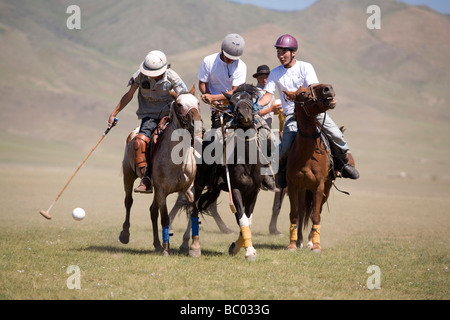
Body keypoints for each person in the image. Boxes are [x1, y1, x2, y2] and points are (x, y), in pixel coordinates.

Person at [257, 34, 360, 188]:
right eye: (278, 52)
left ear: (293, 52)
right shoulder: (275, 73)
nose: (280, 56)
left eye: (283, 52)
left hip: (313, 112)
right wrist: (256, 106)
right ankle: (283, 172)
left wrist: (326, 102)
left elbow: (314, 89)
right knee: (284, 146)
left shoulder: (306, 67)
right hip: (292, 115)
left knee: (336, 134)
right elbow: (267, 96)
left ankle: (342, 164)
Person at [108, 50, 188, 193]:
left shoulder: (172, 77)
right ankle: (146, 178)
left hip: (169, 115)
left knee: (187, 138)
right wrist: (114, 113)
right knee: (139, 142)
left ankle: (190, 173)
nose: (151, 76)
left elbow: (185, 97)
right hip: (149, 116)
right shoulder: (139, 75)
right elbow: (129, 95)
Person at [198, 33, 247, 128]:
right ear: (222, 50)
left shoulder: (241, 66)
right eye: (227, 57)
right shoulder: (208, 61)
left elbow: (235, 92)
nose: (229, 60)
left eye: (233, 59)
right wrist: (213, 103)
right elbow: (202, 83)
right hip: (216, 108)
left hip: (234, 106)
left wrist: (214, 98)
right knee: (216, 138)